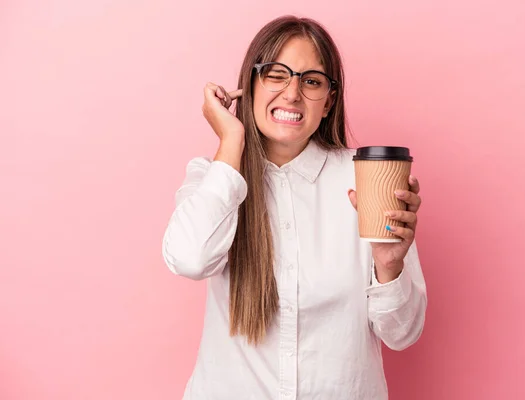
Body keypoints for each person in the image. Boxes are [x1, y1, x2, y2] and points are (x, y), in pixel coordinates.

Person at [162, 15, 427, 400]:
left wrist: (390, 266)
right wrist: (232, 138)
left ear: (329, 100)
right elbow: (189, 260)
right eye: (276, 74)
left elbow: (403, 334)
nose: (292, 93)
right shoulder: (212, 177)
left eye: (312, 81)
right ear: (250, 84)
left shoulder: (368, 180)